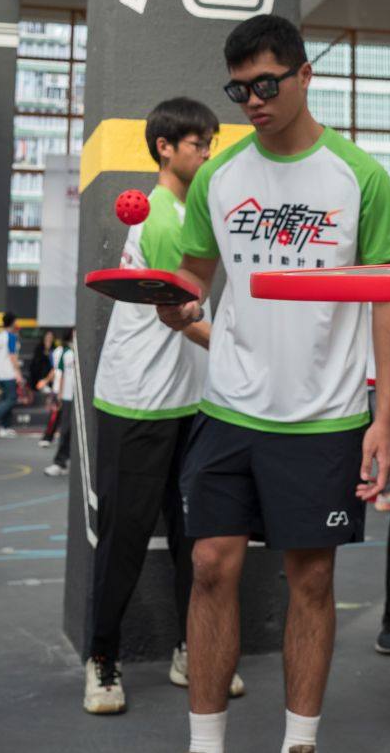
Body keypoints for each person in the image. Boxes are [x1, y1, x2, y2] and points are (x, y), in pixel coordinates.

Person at [157, 14, 390, 753]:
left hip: (325, 416)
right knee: (210, 564)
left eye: (266, 84)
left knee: (311, 579)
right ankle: (206, 743)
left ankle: (300, 741)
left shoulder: (359, 175)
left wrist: (383, 418)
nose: (253, 101)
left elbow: (389, 301)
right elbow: (194, 276)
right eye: (239, 90)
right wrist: (174, 303)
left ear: (304, 75)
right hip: (230, 406)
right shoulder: (219, 177)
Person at [84, 96, 248, 715]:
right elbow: (182, 318)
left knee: (195, 541)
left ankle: (190, 647)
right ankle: (102, 659)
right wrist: (249, 354)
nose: (207, 154)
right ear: (165, 148)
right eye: (198, 144)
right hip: (138, 402)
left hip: (191, 402)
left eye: (210, 144)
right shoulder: (158, 217)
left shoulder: (192, 214)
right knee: (123, 542)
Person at [42, 335, 74, 475]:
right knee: (65, 430)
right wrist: (59, 395)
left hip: (84, 399)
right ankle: (60, 463)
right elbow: (60, 374)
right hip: (67, 397)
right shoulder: (65, 353)